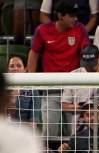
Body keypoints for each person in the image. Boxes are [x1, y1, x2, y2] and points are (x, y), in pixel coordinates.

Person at [28, 0, 90, 144]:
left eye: (76, 15)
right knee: (49, 133)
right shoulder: (42, 30)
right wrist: (30, 78)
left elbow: (86, 53)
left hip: (74, 90)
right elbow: (34, 53)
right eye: (72, 15)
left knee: (77, 134)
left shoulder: (80, 29)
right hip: (51, 90)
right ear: (61, 16)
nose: (76, 19)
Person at [6, 56, 35, 124]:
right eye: (12, 66)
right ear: (7, 70)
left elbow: (34, 113)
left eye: (19, 66)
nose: (15, 68)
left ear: (25, 69)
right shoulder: (2, 88)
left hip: (24, 126)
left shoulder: (32, 87)